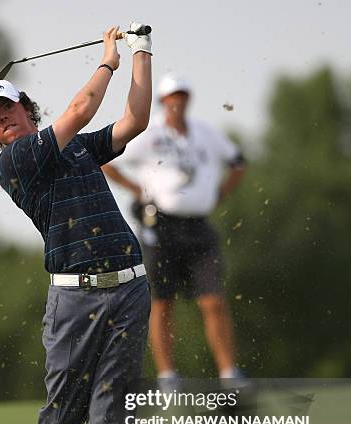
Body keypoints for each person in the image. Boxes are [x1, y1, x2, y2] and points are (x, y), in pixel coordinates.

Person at [0, 24, 152, 424]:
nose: (5, 121)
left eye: (9, 108)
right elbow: (79, 108)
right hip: (73, 299)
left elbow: (136, 119)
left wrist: (141, 51)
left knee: (109, 416)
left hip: (128, 289)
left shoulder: (75, 151)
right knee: (61, 412)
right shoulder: (17, 163)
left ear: (27, 107)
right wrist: (109, 61)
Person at [102, 74, 246, 387]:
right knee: (162, 302)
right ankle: (168, 375)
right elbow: (106, 159)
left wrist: (219, 195)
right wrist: (135, 189)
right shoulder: (149, 133)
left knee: (213, 300)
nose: (177, 101)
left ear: (188, 98)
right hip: (160, 227)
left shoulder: (205, 133)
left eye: (182, 95)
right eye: (172, 96)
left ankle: (229, 373)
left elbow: (238, 162)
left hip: (199, 227)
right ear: (163, 101)